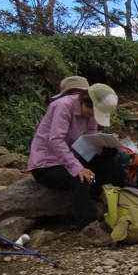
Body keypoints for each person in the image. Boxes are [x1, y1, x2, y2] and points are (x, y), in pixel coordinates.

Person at [28, 83, 120, 247]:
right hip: (46, 163)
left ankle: (104, 202)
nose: (91, 115)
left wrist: (107, 148)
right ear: (85, 101)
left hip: (73, 155)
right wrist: (77, 168)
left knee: (109, 159)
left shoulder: (90, 114)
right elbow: (55, 140)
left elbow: (90, 138)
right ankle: (89, 230)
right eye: (91, 111)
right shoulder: (63, 106)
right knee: (79, 180)